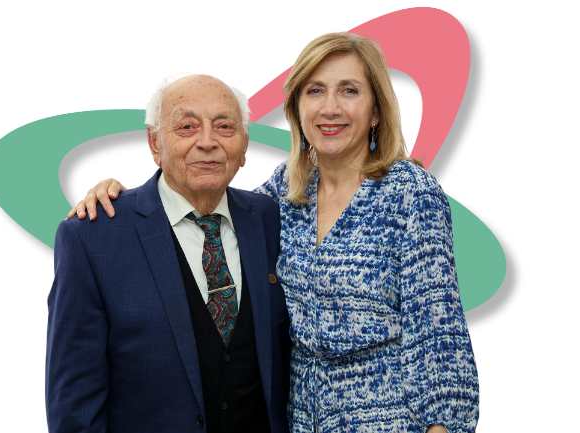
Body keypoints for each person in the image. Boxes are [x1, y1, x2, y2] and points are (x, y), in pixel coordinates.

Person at [72, 33, 479, 432]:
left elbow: (439, 333)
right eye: (315, 91)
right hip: (299, 423)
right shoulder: (285, 192)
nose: (330, 108)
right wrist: (124, 199)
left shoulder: (410, 193)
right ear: (297, 109)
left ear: (376, 111)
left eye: (350, 90)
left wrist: (442, 426)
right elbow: (205, 199)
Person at [47, 75, 291, 433]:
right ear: (154, 143)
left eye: (224, 126)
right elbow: (75, 405)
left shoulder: (271, 219)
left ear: (244, 145)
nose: (206, 141)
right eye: (187, 126)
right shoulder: (92, 236)